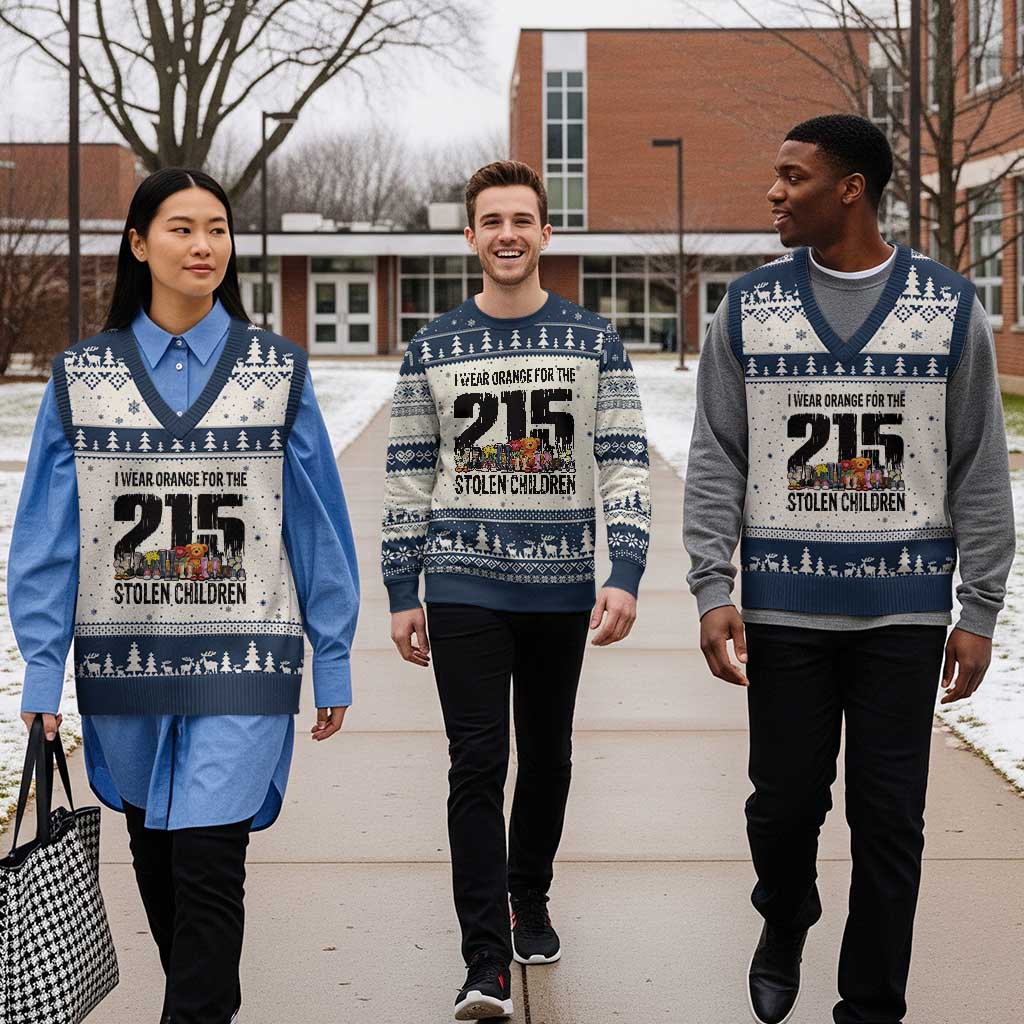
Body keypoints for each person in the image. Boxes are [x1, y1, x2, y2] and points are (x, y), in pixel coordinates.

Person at [684, 113, 1014, 1024]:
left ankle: (871, 1005)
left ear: (851, 189)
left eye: (793, 176)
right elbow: (717, 453)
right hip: (785, 611)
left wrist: (980, 607)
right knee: (782, 811)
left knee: (889, 824)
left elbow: (979, 464)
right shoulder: (749, 307)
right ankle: (784, 913)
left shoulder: (947, 308)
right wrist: (713, 585)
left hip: (904, 618)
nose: (774, 192)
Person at [11, 168, 359, 1024]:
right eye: (180, 228)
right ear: (138, 244)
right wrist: (43, 675)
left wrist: (335, 654)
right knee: (159, 862)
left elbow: (316, 525)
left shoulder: (277, 372)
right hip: (123, 665)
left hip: (245, 662)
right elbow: (48, 540)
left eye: (216, 229)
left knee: (210, 865)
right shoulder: (81, 378)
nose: (203, 246)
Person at [381, 160, 652, 1021]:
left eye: (522, 220)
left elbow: (623, 461)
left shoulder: (593, 340)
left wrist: (627, 569)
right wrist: (401, 586)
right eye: (491, 220)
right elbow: (408, 477)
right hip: (462, 581)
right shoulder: (432, 347)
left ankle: (527, 896)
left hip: (561, 587)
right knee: (477, 761)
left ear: (545, 233)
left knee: (549, 753)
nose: (507, 234)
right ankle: (484, 961)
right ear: (470, 236)